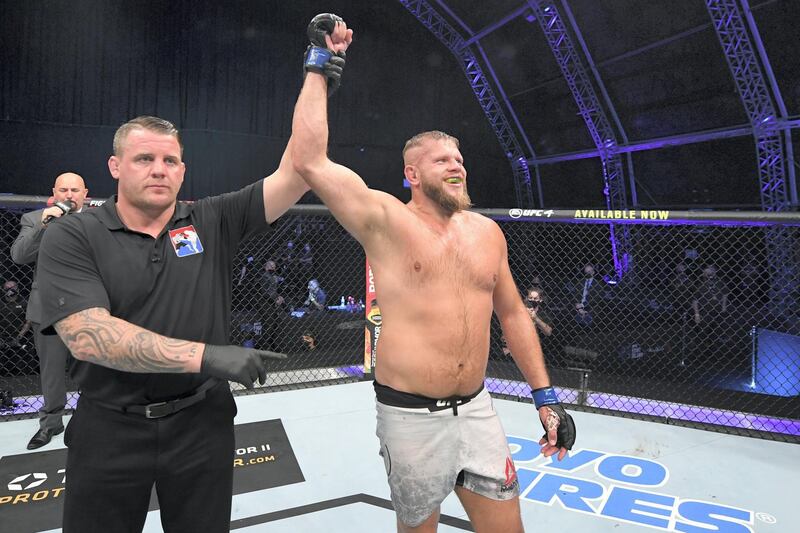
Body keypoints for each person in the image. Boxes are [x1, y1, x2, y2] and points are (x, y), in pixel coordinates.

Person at [34, 35, 350, 530]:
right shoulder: (74, 234)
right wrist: (206, 356)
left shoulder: (211, 219)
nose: (159, 170)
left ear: (183, 169)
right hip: (110, 425)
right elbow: (88, 335)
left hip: (203, 423)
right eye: (144, 159)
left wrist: (317, 71)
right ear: (115, 167)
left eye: (171, 161)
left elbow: (302, 166)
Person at [291, 16, 575, 532]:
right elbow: (310, 161)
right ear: (412, 174)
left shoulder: (487, 233)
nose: (457, 165)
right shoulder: (387, 222)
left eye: (460, 157)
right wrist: (320, 65)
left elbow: (512, 313)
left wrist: (546, 399)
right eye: (442, 158)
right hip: (409, 418)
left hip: (478, 410)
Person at [10, 172, 88, 449]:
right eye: (64, 189)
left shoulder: (98, 221)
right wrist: (45, 222)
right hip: (48, 309)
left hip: (89, 308)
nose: (69, 194)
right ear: (53, 193)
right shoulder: (34, 219)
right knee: (52, 372)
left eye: (75, 190)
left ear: (85, 194)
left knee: (93, 371)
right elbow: (19, 256)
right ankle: (51, 424)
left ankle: (91, 424)